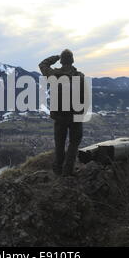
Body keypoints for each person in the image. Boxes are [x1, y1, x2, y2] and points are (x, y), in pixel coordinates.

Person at [39, 49, 85, 177]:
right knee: (74, 142)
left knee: (59, 143)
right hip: (75, 116)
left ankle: (58, 169)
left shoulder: (53, 75)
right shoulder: (80, 76)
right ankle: (68, 170)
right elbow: (84, 97)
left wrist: (56, 57)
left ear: (61, 61)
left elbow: (42, 64)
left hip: (59, 117)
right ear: (72, 60)